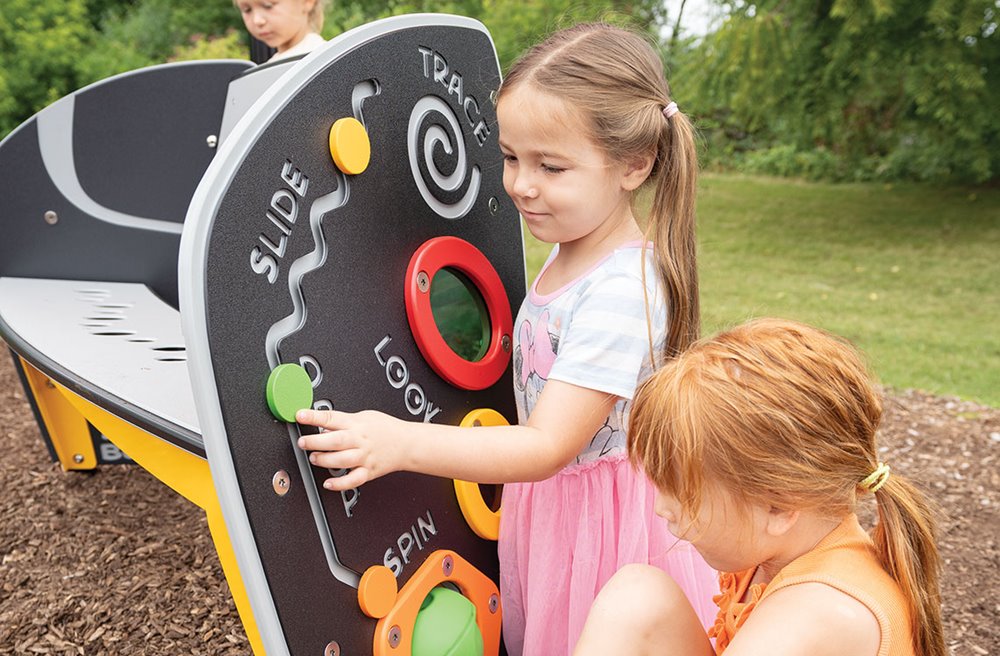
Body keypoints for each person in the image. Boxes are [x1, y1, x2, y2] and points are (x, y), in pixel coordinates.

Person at [295, 23, 718, 654]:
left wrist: (400, 441)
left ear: (635, 165)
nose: (520, 183)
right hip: (557, 511)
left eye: (551, 166)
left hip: (600, 531)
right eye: (512, 156)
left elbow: (548, 445)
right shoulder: (574, 252)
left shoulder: (622, 292)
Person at [573, 318, 946, 656]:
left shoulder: (817, 613)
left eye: (684, 491)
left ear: (778, 507)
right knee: (639, 596)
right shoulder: (787, 551)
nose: (662, 507)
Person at [235, 0, 326, 62]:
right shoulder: (268, 67)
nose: (257, 20)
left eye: (268, 6)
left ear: (307, 1)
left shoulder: (323, 60)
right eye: (247, 10)